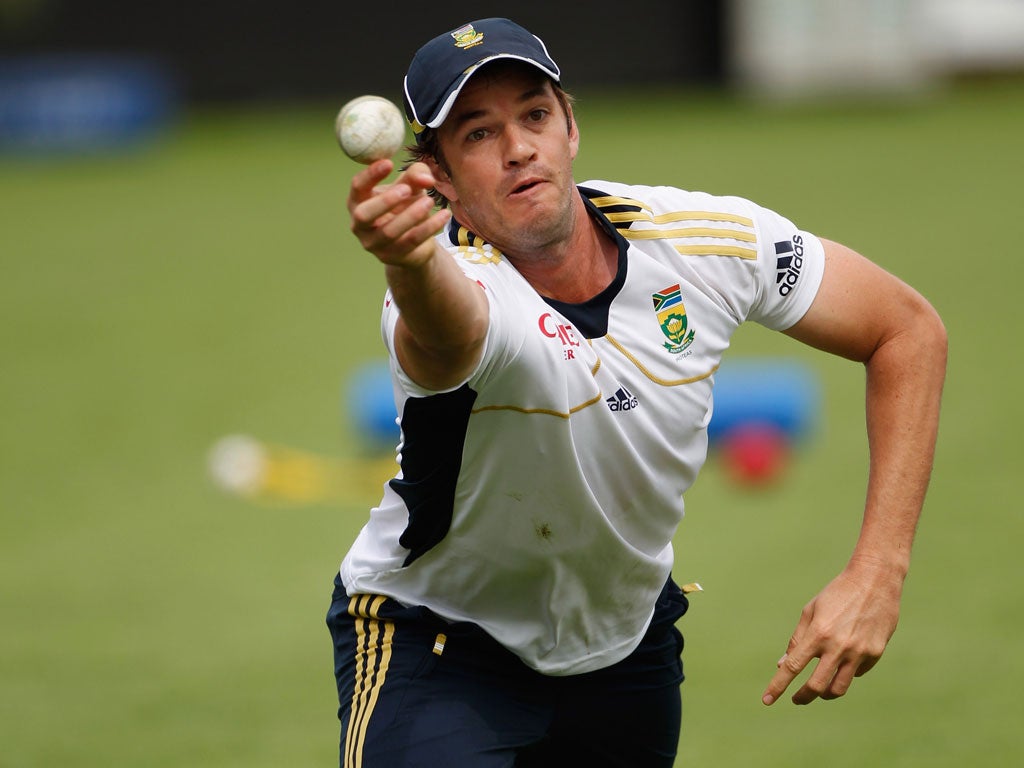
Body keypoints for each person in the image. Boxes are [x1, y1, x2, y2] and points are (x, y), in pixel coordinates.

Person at [327, 17, 947, 768]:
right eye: (479, 134)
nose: (520, 147)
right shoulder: (447, 281)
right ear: (441, 180)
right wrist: (409, 260)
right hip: (437, 643)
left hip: (625, 650)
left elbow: (907, 331)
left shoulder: (702, 239)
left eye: (534, 115)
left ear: (570, 127)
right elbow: (449, 334)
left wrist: (877, 572)